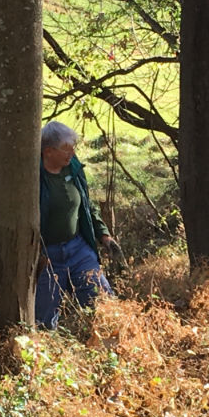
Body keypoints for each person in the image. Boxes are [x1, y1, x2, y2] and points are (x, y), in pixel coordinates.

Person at [37, 121, 118, 329]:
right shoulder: (34, 177)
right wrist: (37, 253)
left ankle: (108, 347)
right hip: (48, 256)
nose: (72, 152)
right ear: (48, 151)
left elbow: (87, 205)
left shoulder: (72, 167)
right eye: (66, 148)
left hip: (78, 248)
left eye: (73, 147)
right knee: (43, 319)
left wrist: (103, 234)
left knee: (102, 301)